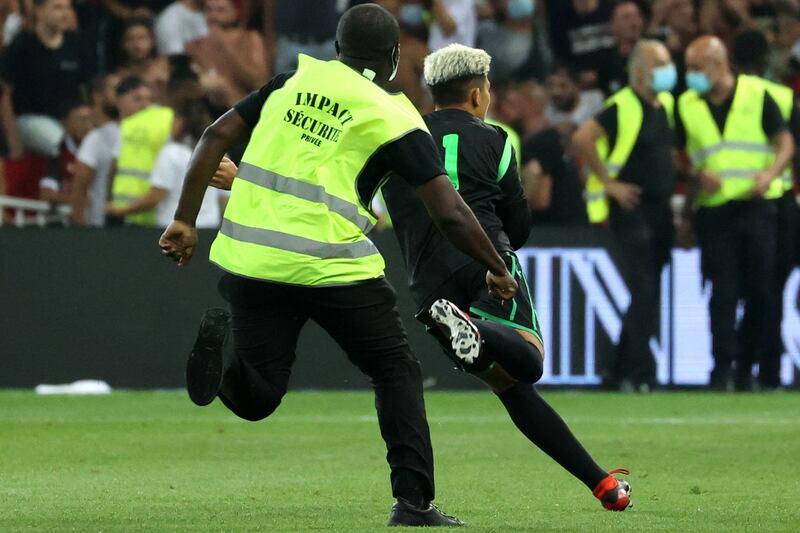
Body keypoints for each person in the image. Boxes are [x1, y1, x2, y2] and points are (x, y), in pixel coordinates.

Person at [159, 4, 518, 527]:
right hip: (332, 266)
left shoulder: (291, 82)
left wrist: (185, 220)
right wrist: (496, 265)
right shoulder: (395, 114)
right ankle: (413, 503)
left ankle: (222, 367)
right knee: (395, 370)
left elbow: (214, 135)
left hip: (252, 258)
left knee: (258, 395)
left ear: (337, 46)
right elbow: (449, 212)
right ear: (395, 57)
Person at [379, 43, 631, 512]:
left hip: (429, 280)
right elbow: (518, 222)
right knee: (530, 361)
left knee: (510, 385)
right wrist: (499, 259)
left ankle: (601, 484)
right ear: (477, 95)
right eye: (489, 89)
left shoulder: (398, 138)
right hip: (487, 261)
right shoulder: (495, 139)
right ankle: (481, 329)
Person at [675, 36, 794, 390]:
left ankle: (746, 366)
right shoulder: (687, 104)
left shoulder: (757, 94)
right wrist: (696, 175)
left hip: (758, 206)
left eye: (697, 67)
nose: (690, 75)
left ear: (719, 63)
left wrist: (769, 175)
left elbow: (784, 141)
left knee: (759, 292)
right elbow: (675, 154)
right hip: (715, 213)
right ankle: (721, 369)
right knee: (722, 294)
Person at [573, 40, 678, 392]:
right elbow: (582, 138)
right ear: (638, 71)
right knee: (645, 288)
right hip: (631, 210)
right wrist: (609, 184)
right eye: (659, 63)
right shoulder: (622, 105)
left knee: (645, 292)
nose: (667, 69)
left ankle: (616, 370)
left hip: (660, 212)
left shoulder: (665, 105)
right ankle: (642, 373)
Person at [732, 29, 800, 390]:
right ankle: (768, 371)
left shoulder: (730, 95)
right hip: (779, 205)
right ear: (765, 58)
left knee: (744, 293)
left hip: (735, 208)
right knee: (769, 292)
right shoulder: (784, 96)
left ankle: (739, 368)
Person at [107, 98, 227, 228]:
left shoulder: (171, 153)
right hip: (210, 228)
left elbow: (156, 195)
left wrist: (120, 211)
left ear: (181, 121)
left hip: (174, 229)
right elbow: (223, 200)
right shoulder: (217, 153)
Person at [109, 76, 173, 227]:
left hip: (154, 214)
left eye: (149, 100)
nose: (145, 105)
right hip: (126, 216)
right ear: (118, 100)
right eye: (137, 99)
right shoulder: (122, 130)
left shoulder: (161, 126)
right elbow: (114, 170)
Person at [185, 0, 268, 108]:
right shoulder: (195, 46)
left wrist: (226, 46)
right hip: (208, 111)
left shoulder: (251, 39)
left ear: (235, 12)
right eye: (208, 10)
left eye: (220, 10)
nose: (213, 16)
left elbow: (259, 82)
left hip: (244, 108)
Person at [596, 1, 644, 96]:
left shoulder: (656, 53)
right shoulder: (605, 63)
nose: (633, 23)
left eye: (637, 16)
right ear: (612, 25)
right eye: (626, 17)